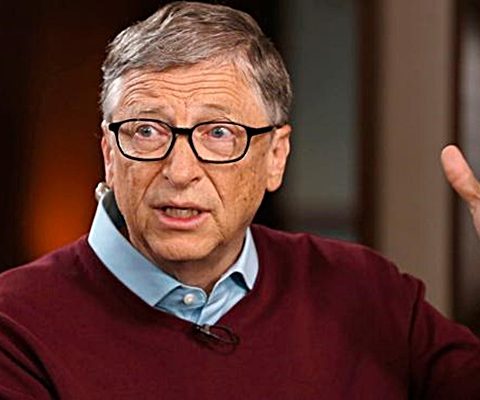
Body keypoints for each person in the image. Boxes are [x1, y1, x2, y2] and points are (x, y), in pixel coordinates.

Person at [0, 1, 479, 398]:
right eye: (146, 131)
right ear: (110, 153)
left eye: (218, 133)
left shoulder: (369, 292)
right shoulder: (15, 325)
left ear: (275, 157)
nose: (180, 172)